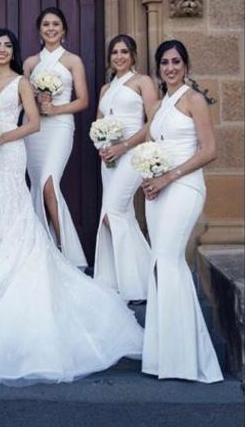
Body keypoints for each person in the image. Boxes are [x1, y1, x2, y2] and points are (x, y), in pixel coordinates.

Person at [0, 29, 143, 385]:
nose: (3, 50)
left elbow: (34, 123)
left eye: (8, 45)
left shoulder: (23, 82)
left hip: (8, 153)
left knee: (11, 210)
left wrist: (0, 138)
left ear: (14, 50)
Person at [141, 40, 223, 382]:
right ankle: (166, 354)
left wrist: (170, 176)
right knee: (161, 263)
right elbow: (149, 141)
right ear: (159, 68)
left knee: (168, 258)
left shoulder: (194, 100)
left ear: (185, 65)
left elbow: (209, 151)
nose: (170, 67)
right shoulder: (160, 105)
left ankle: (186, 358)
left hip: (185, 187)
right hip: (158, 189)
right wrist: (148, 173)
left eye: (176, 61)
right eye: (164, 63)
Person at [93, 35, 157, 301]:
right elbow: (98, 124)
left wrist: (124, 146)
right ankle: (130, 282)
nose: (119, 57)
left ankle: (140, 279)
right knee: (122, 216)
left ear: (132, 55)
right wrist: (102, 146)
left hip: (132, 155)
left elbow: (154, 123)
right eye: (114, 53)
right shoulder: (106, 90)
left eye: (124, 52)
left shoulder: (143, 82)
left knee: (113, 213)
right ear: (110, 58)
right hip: (109, 159)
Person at [23, 7, 88, 267]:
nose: (51, 28)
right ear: (39, 31)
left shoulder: (73, 61)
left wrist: (56, 108)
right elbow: (23, 101)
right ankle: (41, 252)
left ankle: (67, 253)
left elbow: (83, 100)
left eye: (56, 24)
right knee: (36, 186)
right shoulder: (30, 63)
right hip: (36, 130)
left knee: (49, 182)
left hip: (61, 126)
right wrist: (38, 103)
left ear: (64, 30)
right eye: (46, 25)